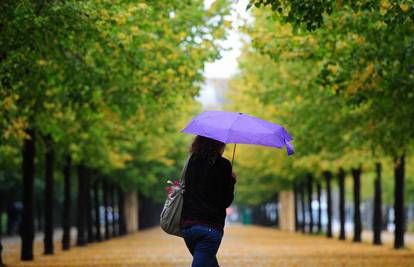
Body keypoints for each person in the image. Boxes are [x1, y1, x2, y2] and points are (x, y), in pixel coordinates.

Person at [180, 135, 237, 267]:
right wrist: (231, 181)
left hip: (188, 228)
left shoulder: (191, 162)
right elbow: (226, 201)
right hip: (210, 229)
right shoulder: (223, 165)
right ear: (218, 145)